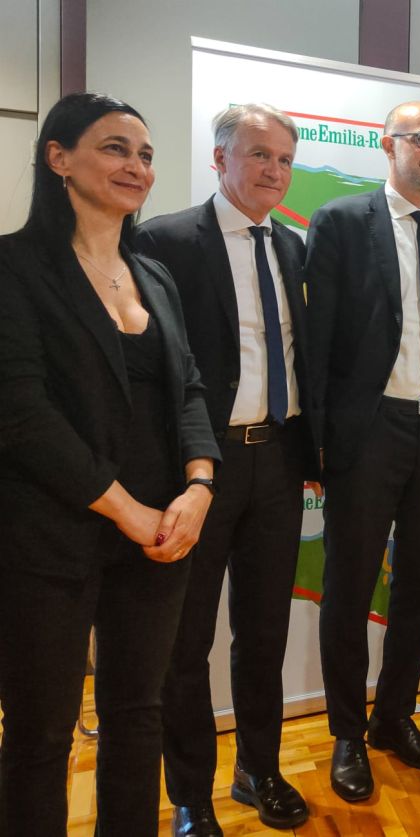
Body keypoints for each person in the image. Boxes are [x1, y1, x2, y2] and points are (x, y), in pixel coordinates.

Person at [0, 92, 220, 837]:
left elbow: (189, 387)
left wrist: (199, 485)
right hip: (49, 536)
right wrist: (126, 509)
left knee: (138, 714)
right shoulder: (14, 267)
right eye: (116, 148)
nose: (137, 166)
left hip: (159, 533)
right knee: (40, 733)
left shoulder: (153, 273)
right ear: (58, 158)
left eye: (146, 154)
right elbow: (22, 414)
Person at [134, 103, 316, 835]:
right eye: (259, 155)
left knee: (264, 633)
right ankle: (191, 796)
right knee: (186, 645)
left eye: (285, 159)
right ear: (219, 159)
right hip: (199, 470)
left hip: (279, 461)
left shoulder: (295, 247)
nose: (275, 170)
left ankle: (258, 770)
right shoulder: (164, 240)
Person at [306, 101, 420, 799]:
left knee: (419, 584)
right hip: (369, 430)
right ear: (389, 146)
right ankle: (348, 734)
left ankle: (394, 716)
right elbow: (317, 341)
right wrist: (317, 445)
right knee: (350, 587)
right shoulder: (342, 222)